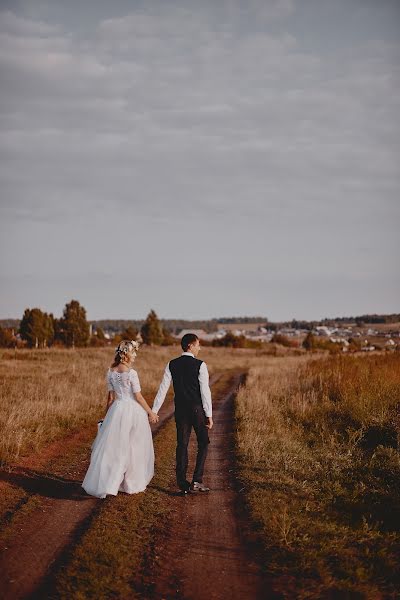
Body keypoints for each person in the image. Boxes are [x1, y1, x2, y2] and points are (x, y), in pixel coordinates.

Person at [82, 340, 159, 498]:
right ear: (126, 354)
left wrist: (106, 417)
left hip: (116, 411)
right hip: (132, 412)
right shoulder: (131, 373)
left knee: (114, 448)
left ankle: (110, 483)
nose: (135, 355)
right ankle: (130, 484)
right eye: (133, 352)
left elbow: (110, 399)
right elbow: (138, 397)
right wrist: (151, 412)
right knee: (133, 447)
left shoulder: (110, 372)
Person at [153, 333, 213, 494]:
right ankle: (196, 480)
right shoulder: (200, 365)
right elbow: (205, 392)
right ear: (190, 346)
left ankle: (182, 483)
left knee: (182, 444)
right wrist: (209, 415)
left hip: (180, 410)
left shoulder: (172, 364)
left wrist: (155, 410)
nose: (199, 348)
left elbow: (163, 388)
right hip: (197, 409)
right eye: (198, 344)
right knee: (204, 442)